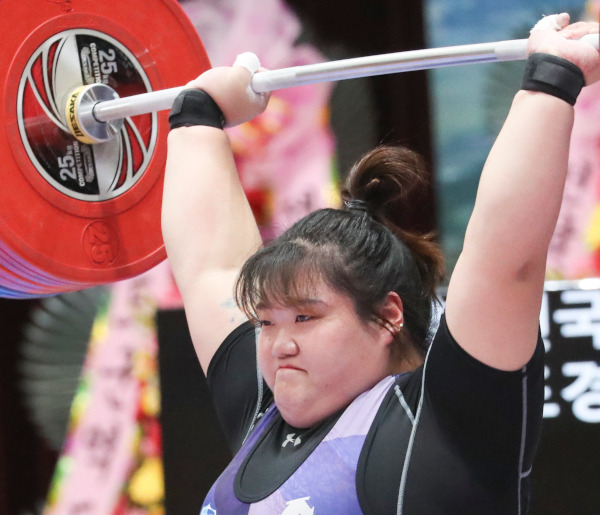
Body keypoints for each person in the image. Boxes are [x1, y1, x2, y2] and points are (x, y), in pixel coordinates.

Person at [161, 13, 599, 515]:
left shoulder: (442, 427)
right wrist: (197, 115)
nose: (279, 343)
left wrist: (551, 80)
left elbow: (506, 263)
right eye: (265, 321)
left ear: (389, 315)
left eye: (306, 316)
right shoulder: (265, 399)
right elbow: (209, 265)